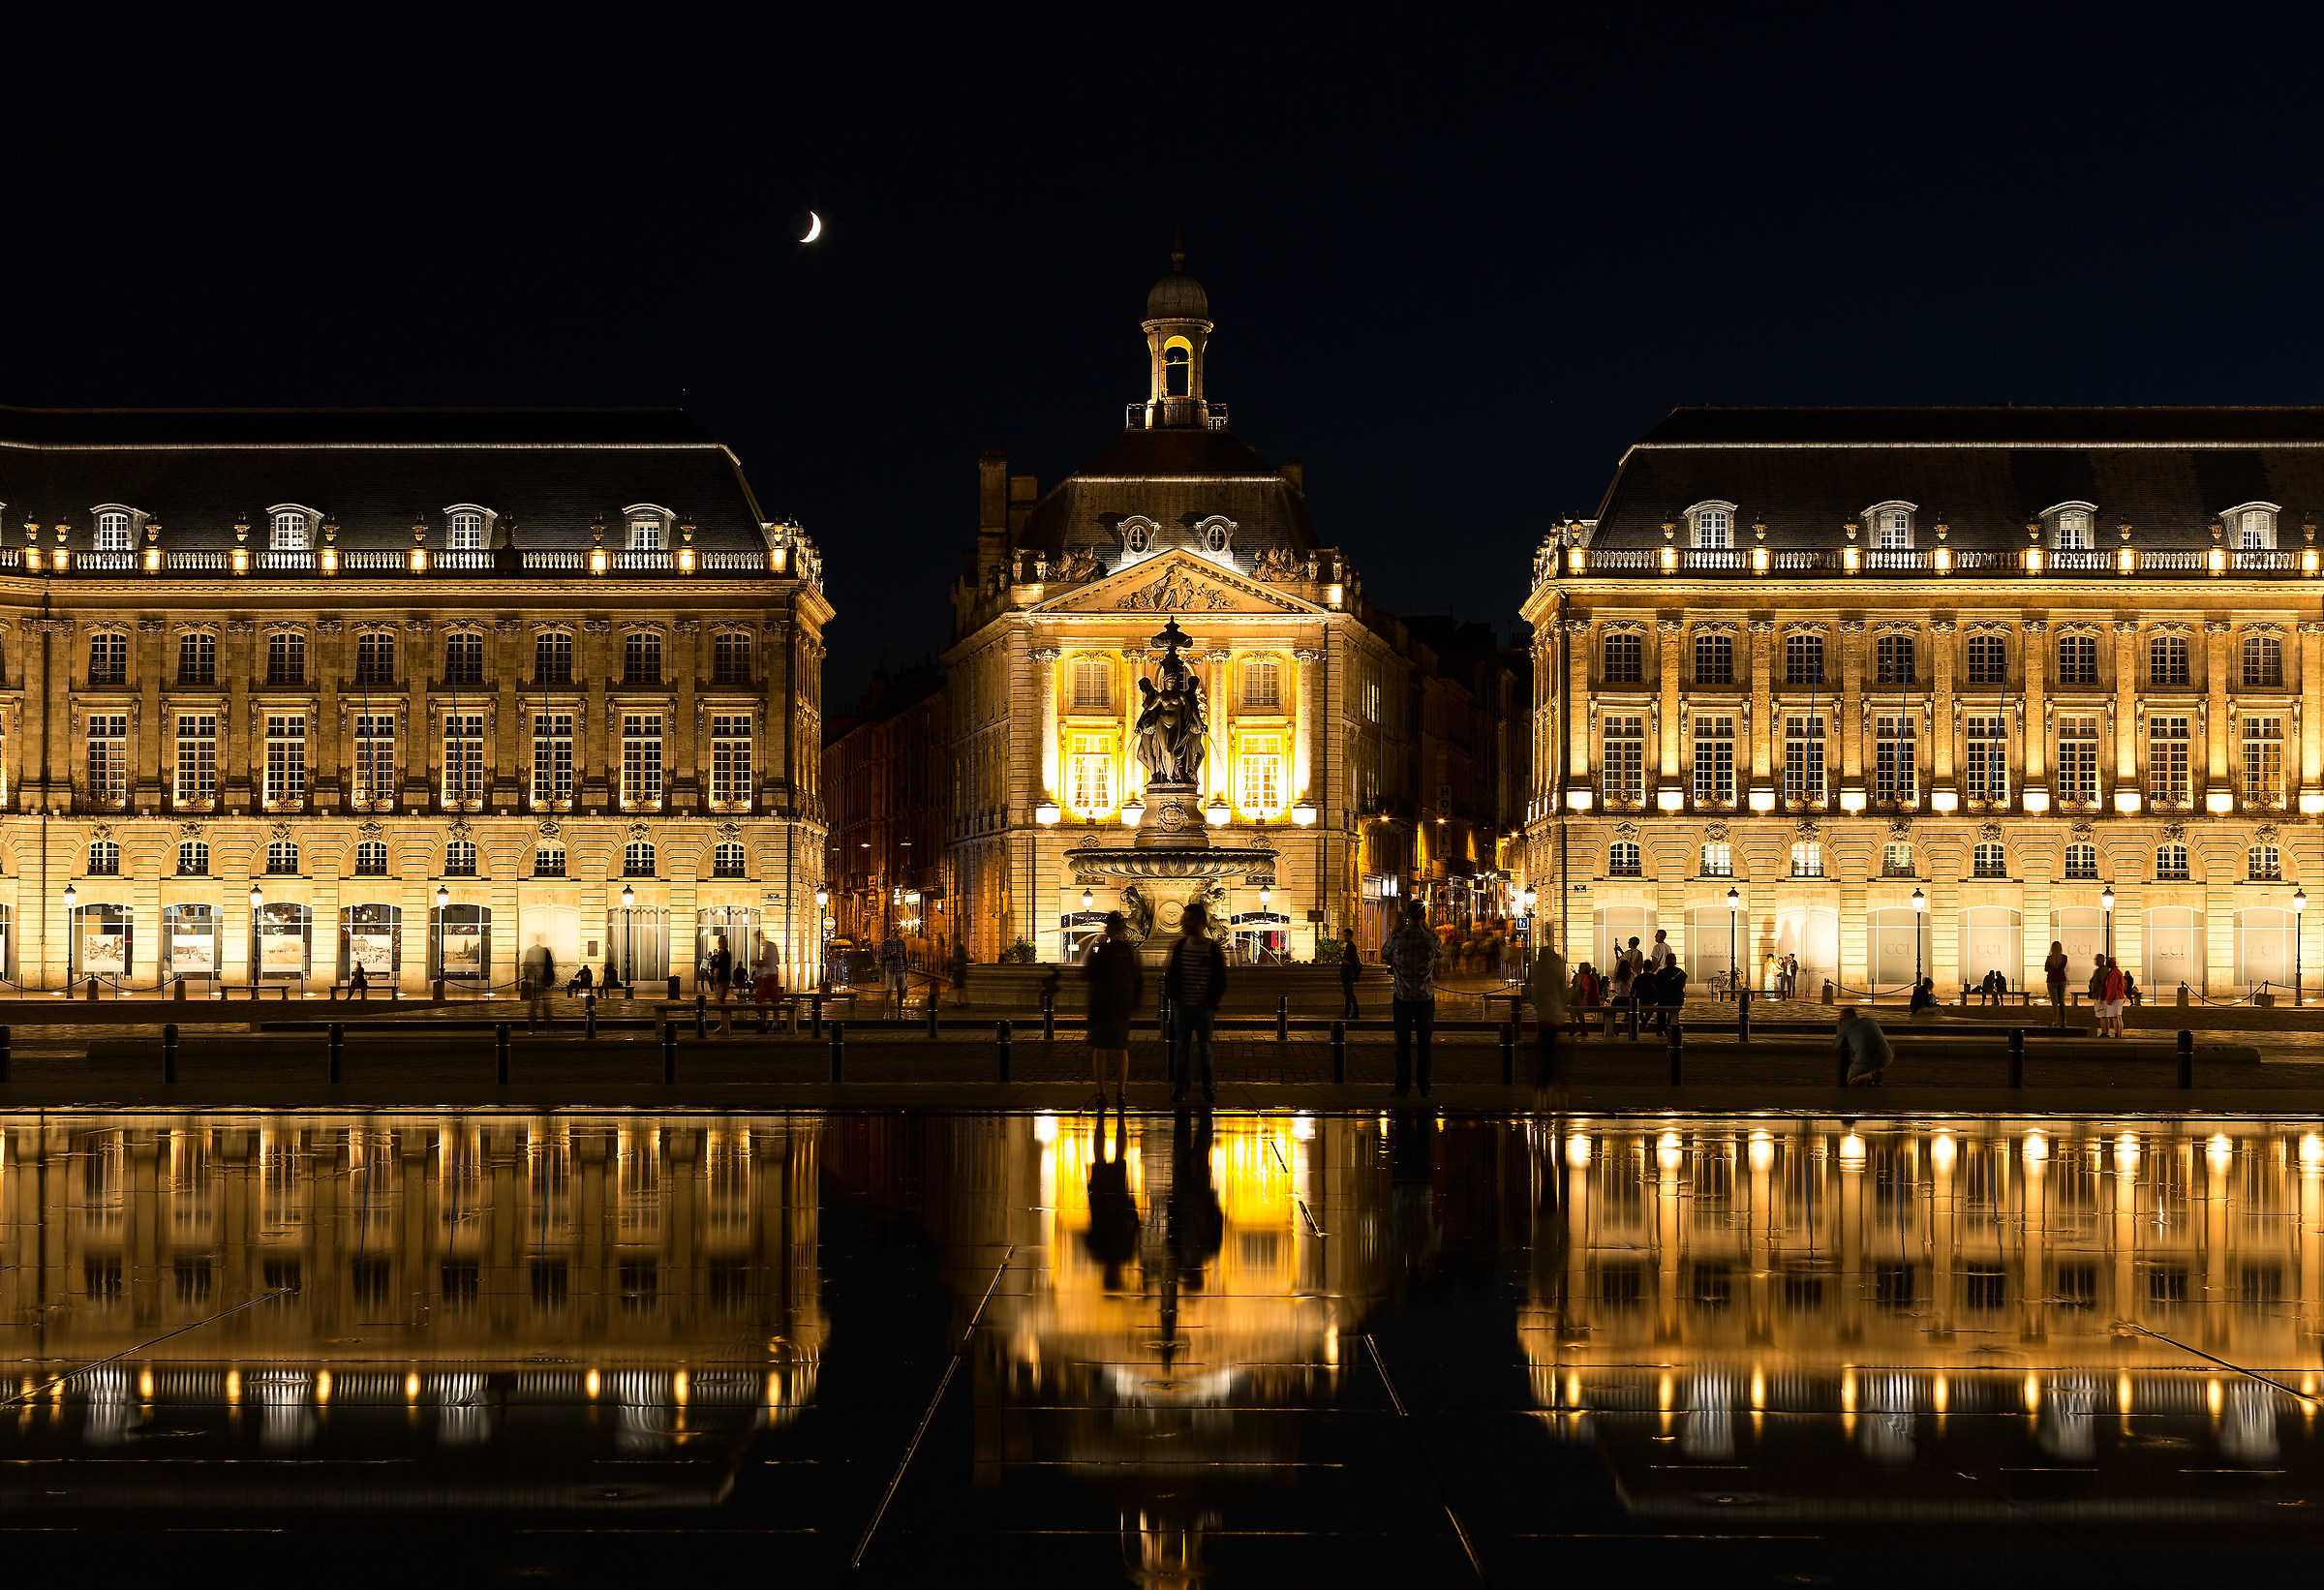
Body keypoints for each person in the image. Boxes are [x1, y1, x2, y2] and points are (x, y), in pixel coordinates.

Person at [1163, 902, 1228, 1104]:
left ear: (1200, 921)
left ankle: (1207, 1086)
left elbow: (1220, 978)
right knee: (1182, 1047)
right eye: (1185, 919)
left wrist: (1212, 1001)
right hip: (1182, 1006)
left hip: (1203, 1007)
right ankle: (1180, 1086)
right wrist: (1174, 997)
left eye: (1189, 919)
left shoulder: (1212, 948)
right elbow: (1171, 974)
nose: (1185, 923)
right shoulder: (1180, 946)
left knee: (1205, 1047)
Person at [1386, 902, 1443, 1097]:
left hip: (1402, 997)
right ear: (1424, 917)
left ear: (1407, 916)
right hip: (1425, 997)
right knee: (1424, 1044)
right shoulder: (1432, 940)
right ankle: (1424, 1086)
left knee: (1402, 1044)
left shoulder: (1397, 939)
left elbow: (1385, 953)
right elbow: (1440, 955)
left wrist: (1398, 927)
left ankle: (1402, 1086)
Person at [1086, 911, 1143, 1108]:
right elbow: (1137, 979)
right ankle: (1121, 1091)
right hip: (1120, 1007)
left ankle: (1101, 1092)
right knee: (1121, 1049)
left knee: (1101, 1050)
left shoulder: (1103, 950)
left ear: (1109, 928)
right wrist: (1133, 1003)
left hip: (1102, 1006)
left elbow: (1090, 975)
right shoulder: (1128, 951)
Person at [1525, 940, 1569, 1073]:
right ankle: (1549, 1068)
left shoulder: (1541, 967)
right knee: (1549, 1043)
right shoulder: (1556, 967)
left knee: (1546, 1043)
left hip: (1546, 1013)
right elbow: (1562, 990)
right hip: (1554, 1012)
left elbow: (1539, 991)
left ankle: (1546, 1069)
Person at [1838, 1003, 1894, 1086]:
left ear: (1843, 1020)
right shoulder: (1869, 1020)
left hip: (1866, 1060)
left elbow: (1836, 1049)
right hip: (1887, 1057)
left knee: (1851, 1081)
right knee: (1866, 1066)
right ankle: (1873, 1081)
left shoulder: (1844, 1028)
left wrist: (1838, 1030)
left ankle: (1871, 1076)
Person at [520, 934, 555, 1033]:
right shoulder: (545, 951)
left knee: (534, 1006)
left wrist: (529, 976)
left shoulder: (531, 951)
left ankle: (533, 1027)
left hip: (534, 982)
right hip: (543, 982)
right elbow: (551, 965)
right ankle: (548, 1027)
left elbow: (526, 967)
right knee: (545, 1006)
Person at [750, 935, 782, 1032]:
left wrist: (756, 962)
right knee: (774, 999)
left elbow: (766, 962)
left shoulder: (766, 946)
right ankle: (776, 1022)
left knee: (762, 999)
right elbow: (777, 961)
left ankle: (764, 1023)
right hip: (774, 974)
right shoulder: (773, 945)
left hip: (768, 975)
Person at [706, 933, 735, 1034]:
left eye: (722, 941)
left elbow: (722, 966)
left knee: (721, 1002)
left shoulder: (725, 954)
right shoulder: (721, 953)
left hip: (722, 980)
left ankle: (724, 1024)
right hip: (718, 980)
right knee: (719, 1002)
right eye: (719, 941)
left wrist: (714, 962)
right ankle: (723, 1023)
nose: (720, 943)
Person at [2099, 956, 2128, 1038]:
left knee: (2115, 1017)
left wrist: (2109, 998)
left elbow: (2112, 987)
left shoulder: (2114, 973)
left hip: (2116, 997)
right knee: (2118, 1016)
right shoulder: (2118, 972)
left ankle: (2117, 1034)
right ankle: (2119, 1033)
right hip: (2119, 996)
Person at [1571, 962, 1601, 1040]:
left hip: (1586, 1002)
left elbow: (1583, 994)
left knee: (1574, 1007)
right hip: (1594, 1002)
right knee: (1575, 1006)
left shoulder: (1581, 977)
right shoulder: (1591, 978)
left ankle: (1574, 1027)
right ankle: (1579, 1028)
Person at [879, 929, 908, 1009]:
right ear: (891, 935)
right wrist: (890, 955)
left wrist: (906, 971)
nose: (896, 936)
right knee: (889, 991)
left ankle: (900, 1012)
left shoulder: (901, 943)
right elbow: (881, 956)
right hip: (890, 970)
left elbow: (904, 957)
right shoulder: (886, 943)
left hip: (901, 969)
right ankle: (886, 1012)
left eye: (897, 934)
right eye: (894, 934)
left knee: (901, 992)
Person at [2044, 940, 2068, 1026]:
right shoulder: (2064, 958)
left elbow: (2046, 969)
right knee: (2061, 1001)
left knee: (2054, 1002)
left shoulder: (2050, 958)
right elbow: (2064, 967)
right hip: (2061, 979)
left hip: (2051, 980)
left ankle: (2055, 1021)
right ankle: (2064, 1021)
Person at [1338, 938, 1362, 1020]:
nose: (1345, 937)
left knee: (1349, 994)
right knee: (1350, 994)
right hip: (1348, 974)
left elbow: (1349, 962)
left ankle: (1348, 1013)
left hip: (1348, 974)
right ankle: (1355, 1013)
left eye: (1347, 935)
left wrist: (1341, 959)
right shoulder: (1350, 946)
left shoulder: (1351, 947)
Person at [950, 936, 970, 1007]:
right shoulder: (962, 948)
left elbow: (955, 960)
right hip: (962, 970)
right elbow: (965, 959)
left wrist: (952, 970)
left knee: (958, 987)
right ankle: (964, 1001)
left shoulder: (957, 948)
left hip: (957, 970)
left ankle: (958, 1002)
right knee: (962, 987)